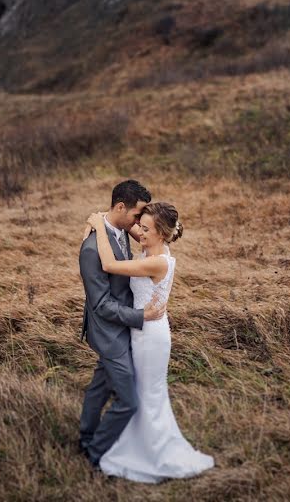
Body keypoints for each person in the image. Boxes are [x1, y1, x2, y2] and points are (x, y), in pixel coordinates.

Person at [83, 201, 214, 483]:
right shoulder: (153, 245)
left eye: (145, 229)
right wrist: (106, 218)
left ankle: (153, 452)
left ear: (161, 234)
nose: (139, 232)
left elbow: (109, 264)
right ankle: (137, 442)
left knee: (148, 394)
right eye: (140, 227)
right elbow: (128, 225)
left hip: (150, 336)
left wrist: (97, 227)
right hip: (143, 329)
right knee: (144, 392)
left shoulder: (155, 260)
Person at [78, 180, 167, 470]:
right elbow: (101, 304)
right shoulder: (92, 248)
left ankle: (86, 438)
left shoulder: (115, 230)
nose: (139, 223)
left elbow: (127, 228)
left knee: (100, 387)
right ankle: (95, 453)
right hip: (110, 334)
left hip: (121, 328)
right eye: (137, 215)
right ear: (120, 207)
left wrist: (99, 221)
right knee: (128, 402)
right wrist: (142, 317)